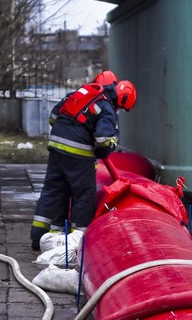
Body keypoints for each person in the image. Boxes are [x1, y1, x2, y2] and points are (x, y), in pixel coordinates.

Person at [30, 75, 137, 250]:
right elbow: (103, 141)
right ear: (121, 100)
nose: (118, 111)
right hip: (79, 155)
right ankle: (79, 243)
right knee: (84, 196)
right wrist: (112, 142)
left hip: (56, 149)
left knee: (53, 191)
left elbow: (53, 117)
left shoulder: (78, 94)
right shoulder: (107, 107)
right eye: (121, 108)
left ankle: (39, 238)